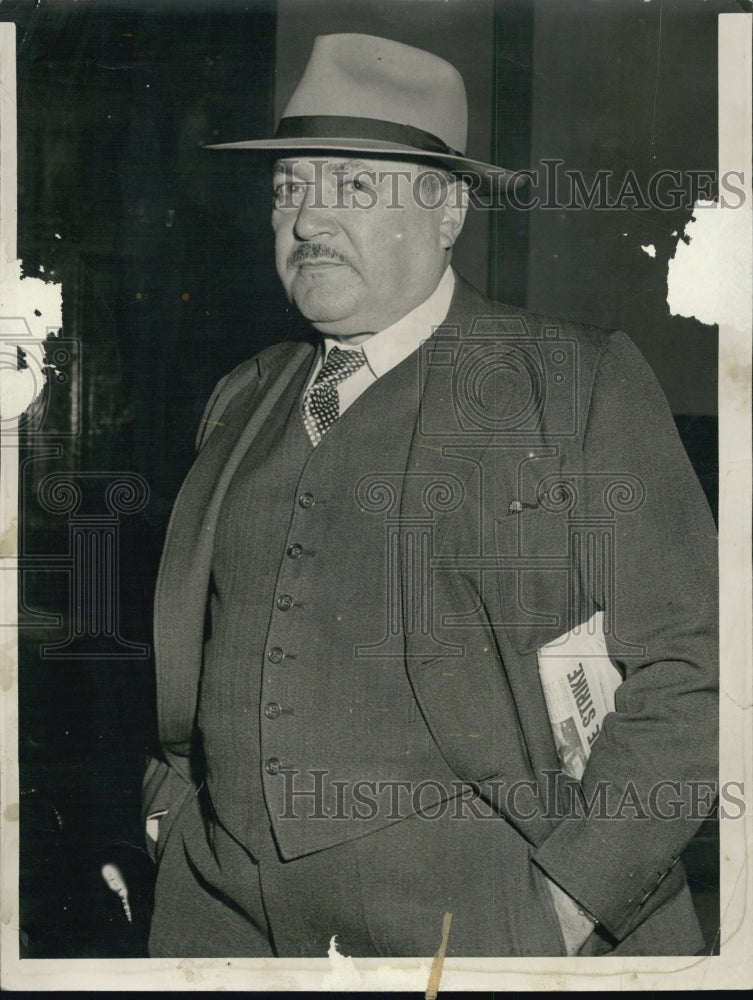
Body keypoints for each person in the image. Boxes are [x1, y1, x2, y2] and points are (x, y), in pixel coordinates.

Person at [143, 33, 718, 958]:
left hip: (487, 928)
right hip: (223, 923)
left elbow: (699, 674)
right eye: (288, 189)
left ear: (447, 210)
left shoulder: (573, 381)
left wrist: (571, 900)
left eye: (356, 190)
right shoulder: (241, 397)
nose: (308, 224)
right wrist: (167, 814)